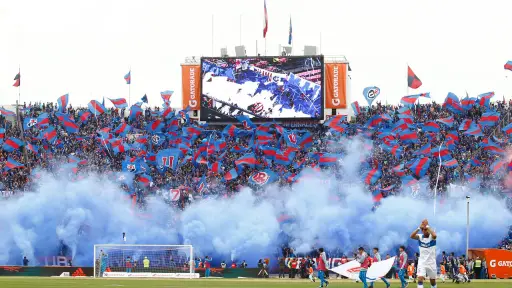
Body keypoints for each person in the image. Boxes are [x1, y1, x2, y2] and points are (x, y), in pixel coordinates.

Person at [410, 219, 438, 288]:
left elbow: (435, 235)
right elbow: (412, 236)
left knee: (433, 281)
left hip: (431, 262)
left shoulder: (432, 237)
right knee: (420, 279)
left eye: (426, 229)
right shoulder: (420, 237)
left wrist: (428, 226)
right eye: (423, 230)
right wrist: (419, 228)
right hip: (422, 262)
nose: (424, 231)